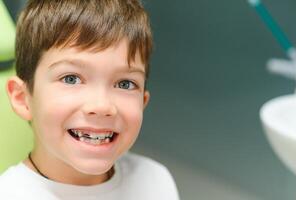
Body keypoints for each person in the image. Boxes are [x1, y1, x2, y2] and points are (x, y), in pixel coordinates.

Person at [0, 0, 180, 199]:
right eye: (71, 79)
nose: (102, 106)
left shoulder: (155, 182)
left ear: (143, 102)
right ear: (22, 98)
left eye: (125, 84)